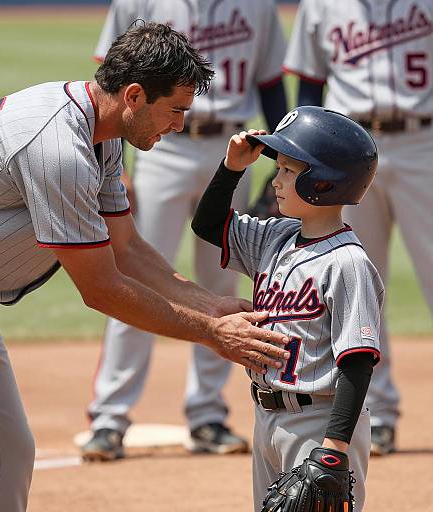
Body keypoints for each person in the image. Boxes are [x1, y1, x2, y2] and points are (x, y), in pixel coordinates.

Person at [0, 23, 291, 512]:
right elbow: (102, 288)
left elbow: (127, 249)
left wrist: (213, 304)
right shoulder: (59, 146)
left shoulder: (102, 131)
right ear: (135, 95)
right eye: (176, 110)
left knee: (12, 454)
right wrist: (213, 333)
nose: (180, 124)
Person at [82, 0, 288, 461]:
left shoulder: (257, 7)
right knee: (133, 276)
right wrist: (115, 163)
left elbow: (272, 87)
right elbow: (111, 86)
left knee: (220, 279)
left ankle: (208, 414)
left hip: (233, 146)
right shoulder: (137, 3)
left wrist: (281, 166)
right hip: (160, 150)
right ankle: (110, 417)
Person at [191, 106, 384, 512]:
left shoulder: (347, 263)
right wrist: (230, 169)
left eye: (288, 171)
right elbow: (208, 225)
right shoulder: (274, 237)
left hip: (320, 423)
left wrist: (334, 449)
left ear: (323, 183)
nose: (275, 181)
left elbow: (358, 360)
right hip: (266, 416)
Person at [282, 0, 433, 456]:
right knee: (358, 282)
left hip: (422, 143)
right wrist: (302, 157)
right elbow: (309, 85)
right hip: (344, 151)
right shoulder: (322, 6)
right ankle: (378, 415)